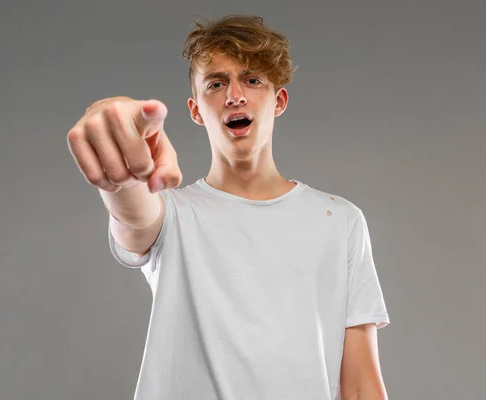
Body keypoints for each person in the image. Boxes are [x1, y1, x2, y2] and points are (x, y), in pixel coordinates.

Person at [67, 15, 390, 400]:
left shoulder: (340, 221)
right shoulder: (172, 215)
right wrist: (111, 118)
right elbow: (132, 214)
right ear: (197, 110)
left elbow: (360, 388)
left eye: (252, 80)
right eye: (216, 84)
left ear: (279, 100)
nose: (235, 95)